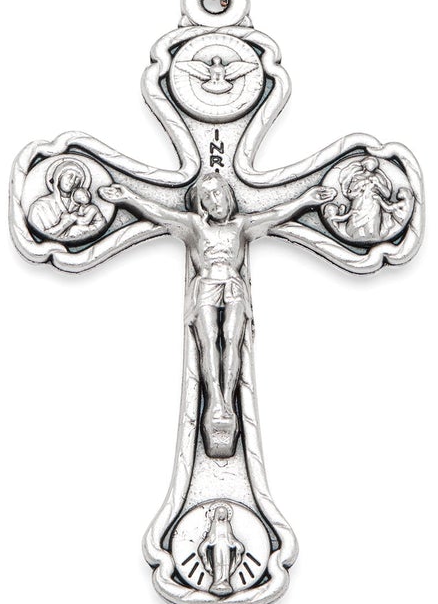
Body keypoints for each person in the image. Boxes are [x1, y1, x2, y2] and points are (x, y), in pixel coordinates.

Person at [97, 173, 334, 456]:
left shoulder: (241, 225)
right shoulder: (195, 225)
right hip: (207, 285)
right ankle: (215, 401)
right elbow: (159, 212)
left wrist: (305, 200)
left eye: (217, 193)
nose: (214, 201)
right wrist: (128, 197)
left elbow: (275, 214)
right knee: (209, 341)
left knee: (232, 340)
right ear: (202, 205)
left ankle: (228, 402)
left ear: (227, 194)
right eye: (207, 197)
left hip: (233, 285)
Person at [322, 155, 414, 242]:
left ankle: (372, 238)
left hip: (373, 205)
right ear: (365, 165)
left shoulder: (379, 177)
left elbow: (387, 194)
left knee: (371, 228)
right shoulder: (356, 177)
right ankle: (357, 240)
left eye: (373, 164)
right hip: (358, 206)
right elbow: (350, 195)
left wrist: (378, 184)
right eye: (370, 163)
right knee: (355, 229)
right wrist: (359, 187)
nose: (372, 166)